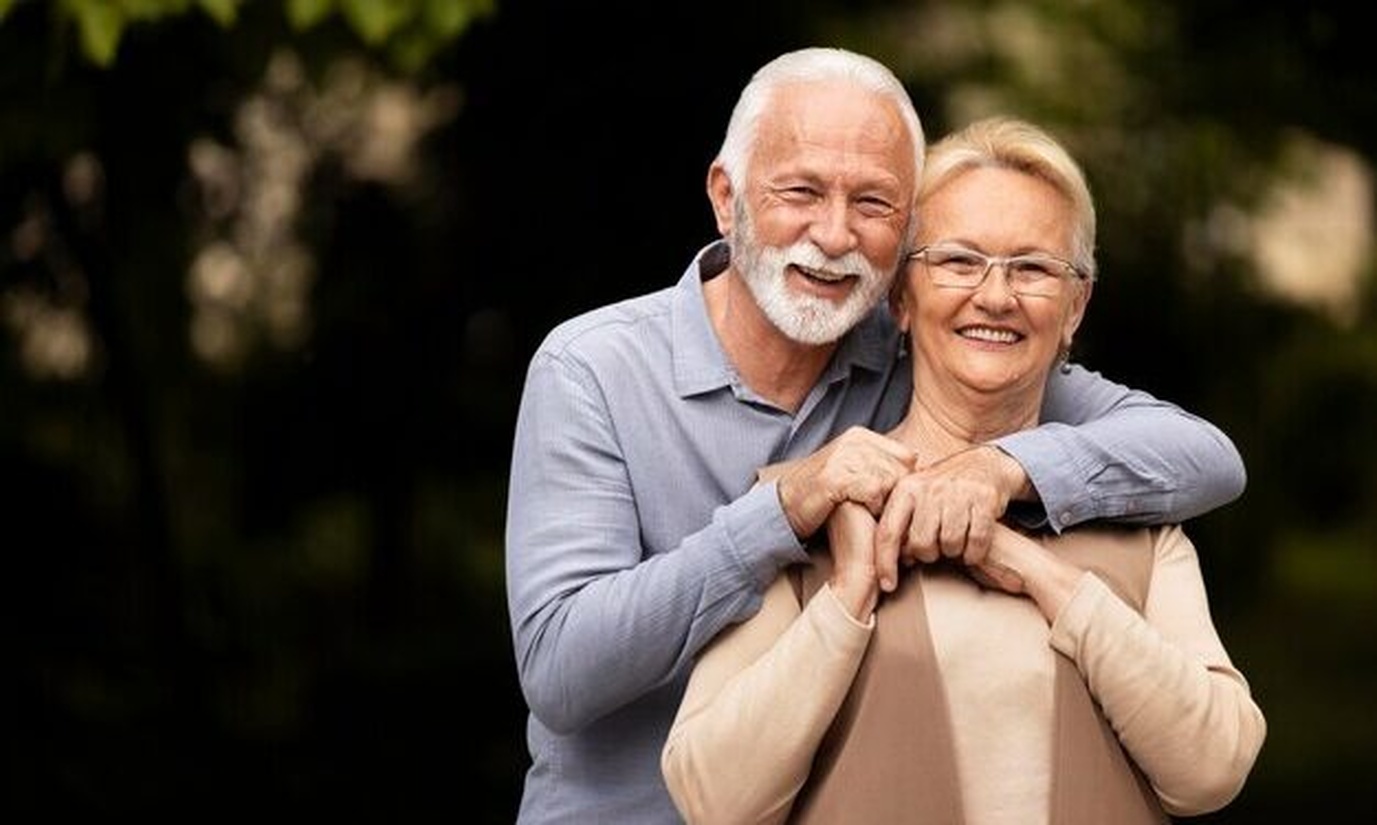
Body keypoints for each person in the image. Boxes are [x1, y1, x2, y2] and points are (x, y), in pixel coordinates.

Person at [506, 48, 1247, 823]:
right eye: (800, 191)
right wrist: (782, 512)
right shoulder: (590, 368)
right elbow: (561, 671)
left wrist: (1000, 469)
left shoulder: (920, 349)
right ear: (726, 198)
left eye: (873, 203)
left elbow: (1203, 457)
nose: (833, 235)